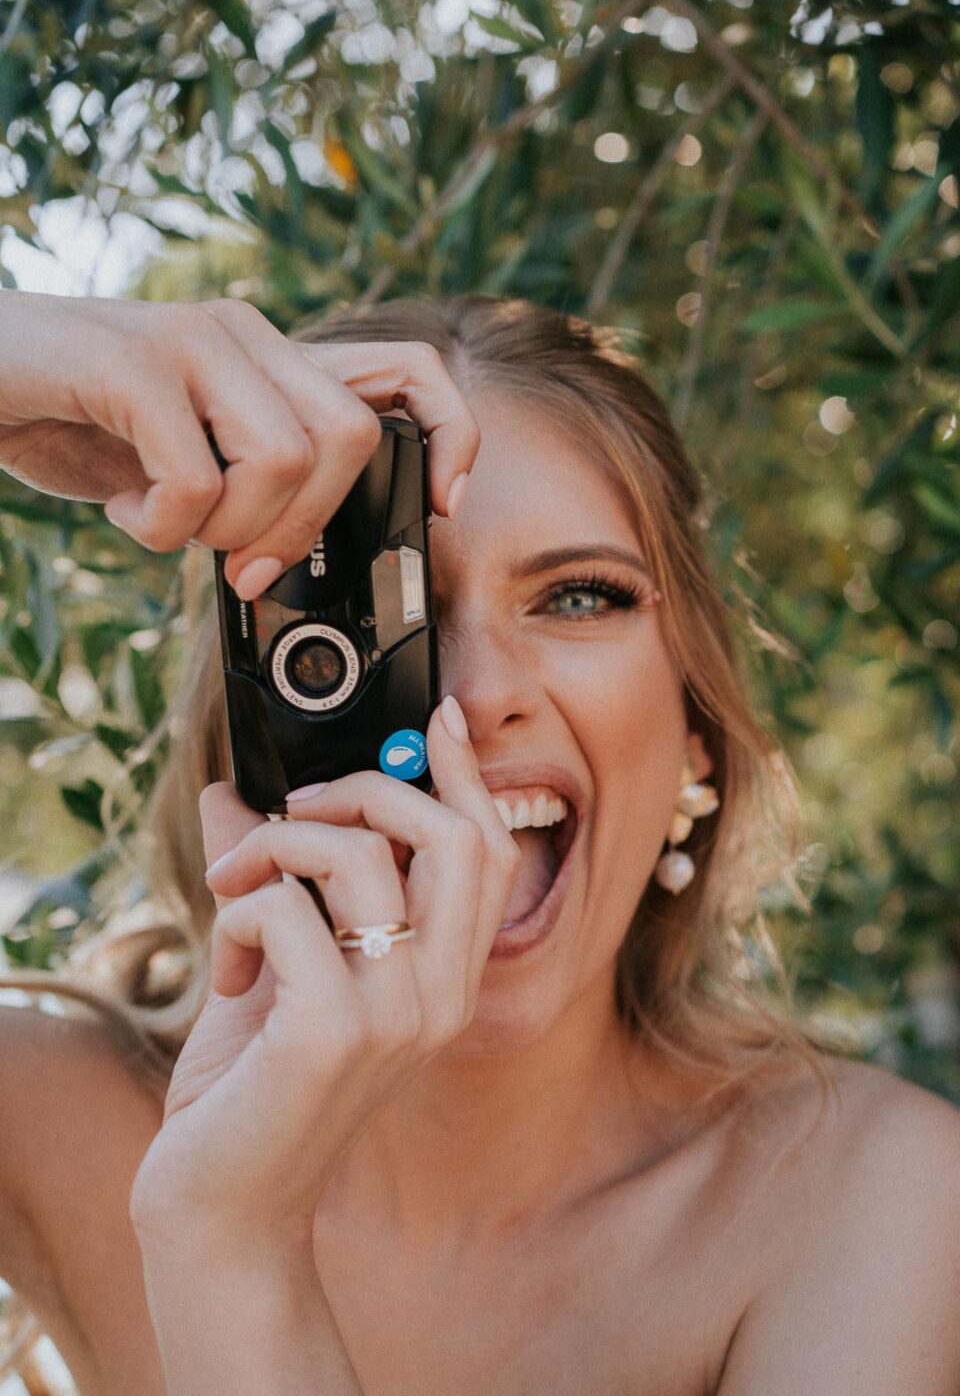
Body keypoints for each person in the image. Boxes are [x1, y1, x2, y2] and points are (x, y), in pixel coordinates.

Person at [0, 289, 958, 1396]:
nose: (478, 694)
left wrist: (232, 1244)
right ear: (254, 721)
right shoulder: (52, 1112)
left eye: (580, 597)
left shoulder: (863, 1195)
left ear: (695, 734)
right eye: (381, 626)